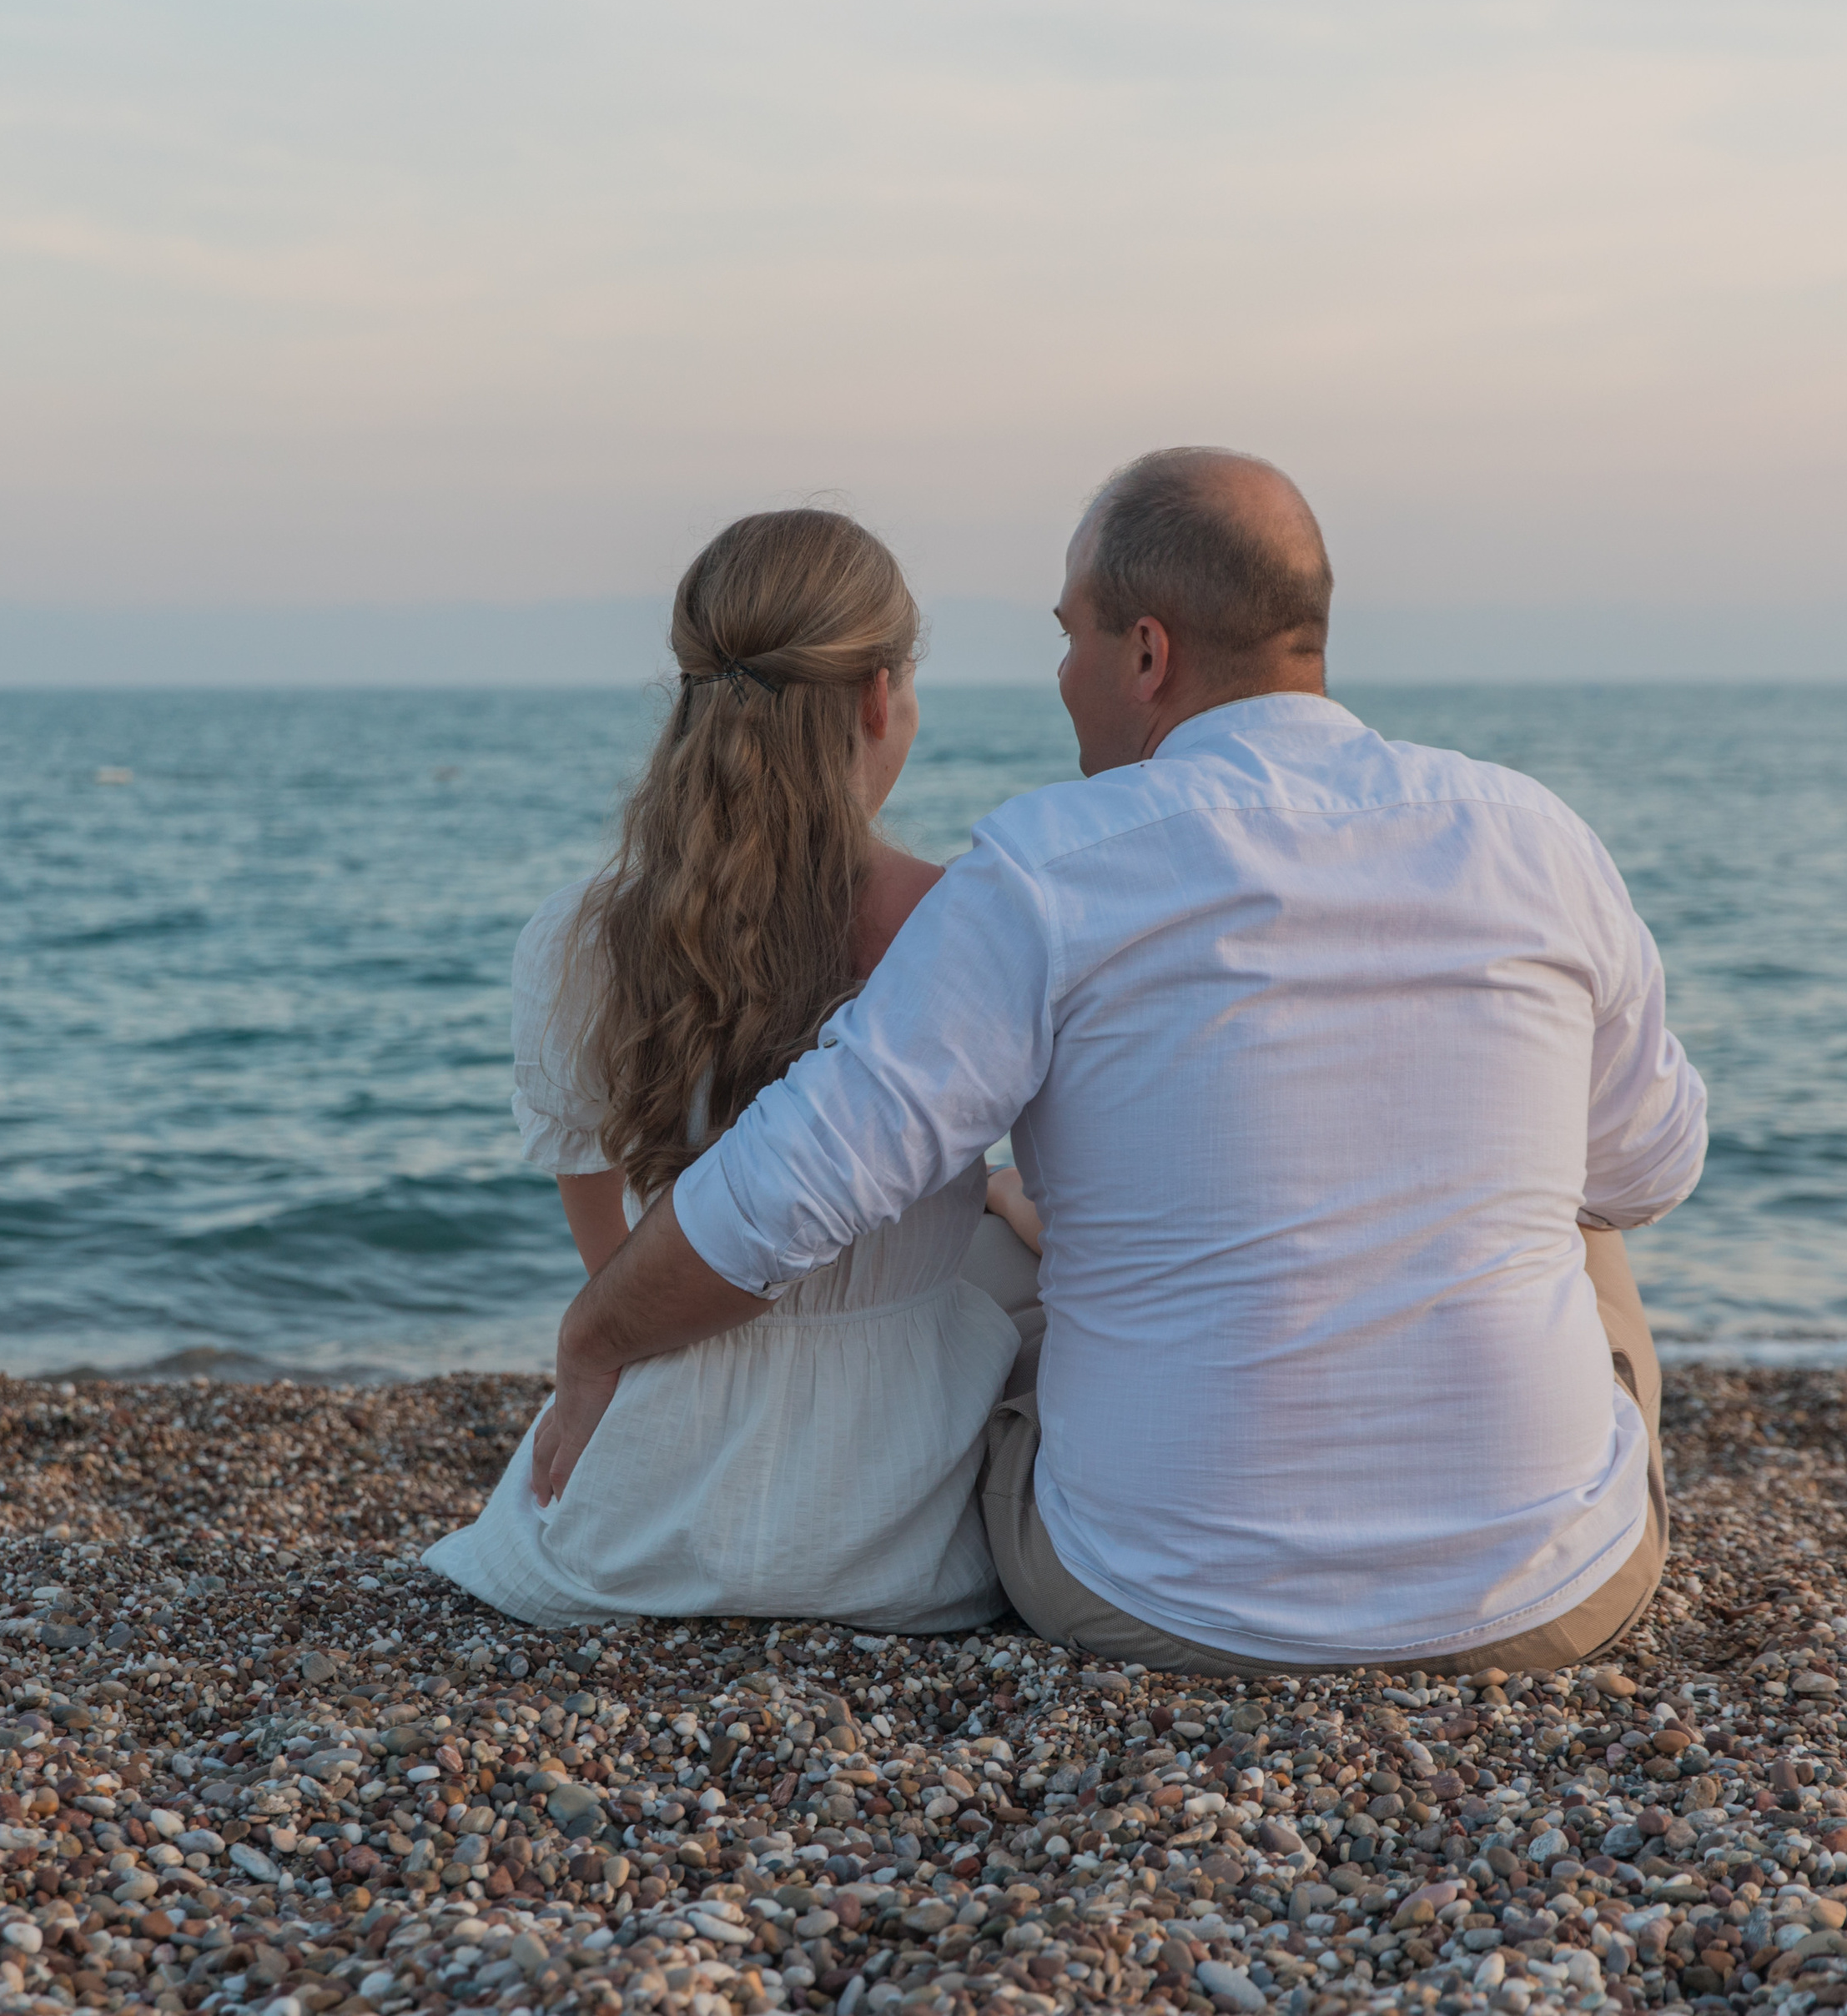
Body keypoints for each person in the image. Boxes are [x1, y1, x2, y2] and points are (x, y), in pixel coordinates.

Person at [533, 447, 1708, 1676]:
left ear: (1147, 653)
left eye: (1069, 636)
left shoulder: (1047, 868)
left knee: (1018, 1295)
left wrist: (596, 1337)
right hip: (1545, 1596)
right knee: (1584, 1204)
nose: (1060, 675)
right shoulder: (1536, 836)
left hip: (1157, 1598)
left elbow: (792, 1181)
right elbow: (1656, 1168)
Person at [425, 508, 1028, 1631]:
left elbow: (615, 1261)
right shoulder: (959, 924)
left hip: (641, 1528)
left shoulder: (576, 940)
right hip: (895, 1537)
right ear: (879, 697)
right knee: (1009, 1260)